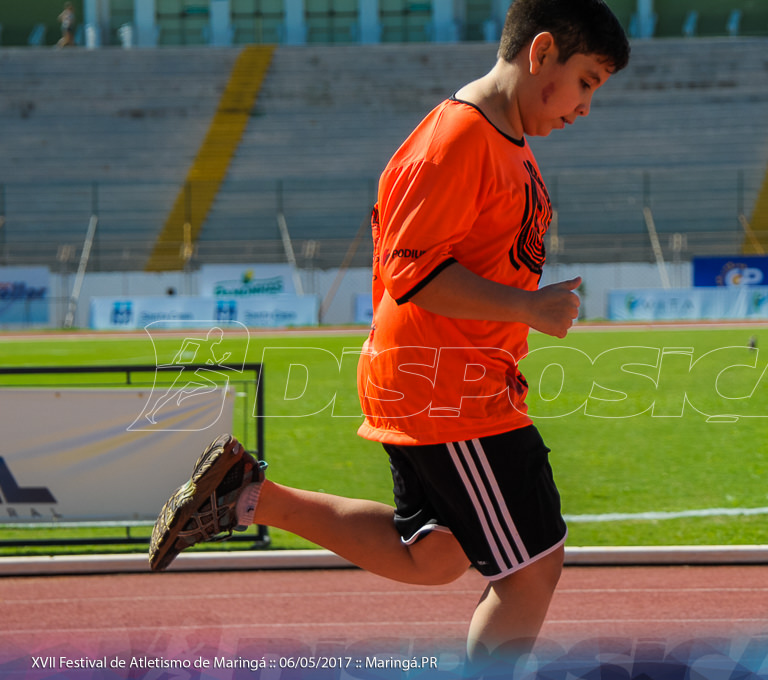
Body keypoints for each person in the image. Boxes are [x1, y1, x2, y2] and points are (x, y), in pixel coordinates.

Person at [148, 0, 629, 671]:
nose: (584, 108)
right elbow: (413, 272)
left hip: (446, 379)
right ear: (541, 52)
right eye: (587, 82)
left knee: (433, 556)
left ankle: (248, 496)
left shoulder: (502, 141)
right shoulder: (461, 136)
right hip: (448, 386)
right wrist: (529, 309)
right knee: (532, 569)